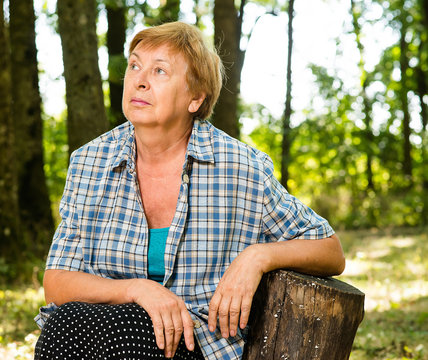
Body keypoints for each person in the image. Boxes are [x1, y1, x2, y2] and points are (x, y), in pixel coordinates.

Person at [34, 21, 345, 360]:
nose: (139, 80)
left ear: (195, 97)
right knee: (64, 325)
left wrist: (257, 256)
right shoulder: (90, 161)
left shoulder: (240, 168)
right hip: (101, 333)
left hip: (197, 344)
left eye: (160, 71)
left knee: (127, 333)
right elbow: (57, 282)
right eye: (135, 65)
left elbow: (330, 250)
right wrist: (138, 290)